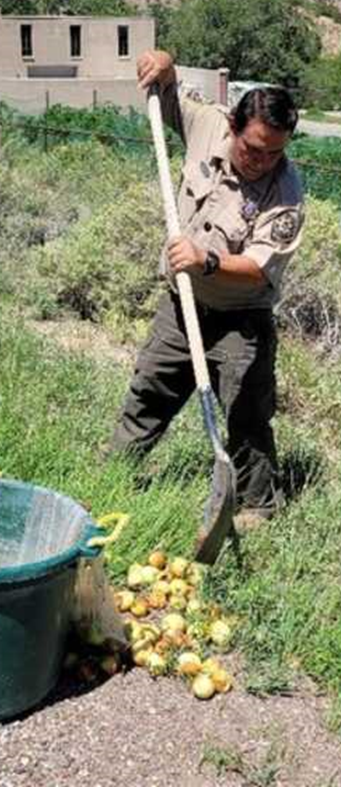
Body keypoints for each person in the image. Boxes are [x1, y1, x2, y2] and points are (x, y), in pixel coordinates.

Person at [110, 50, 305, 542]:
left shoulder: (287, 193)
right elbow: (169, 92)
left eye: (273, 153)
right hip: (183, 305)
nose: (262, 162)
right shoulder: (206, 123)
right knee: (150, 387)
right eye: (253, 149)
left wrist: (207, 260)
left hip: (243, 317)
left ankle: (259, 507)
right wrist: (165, 63)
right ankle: (114, 473)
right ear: (234, 127)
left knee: (246, 413)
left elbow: (259, 268)